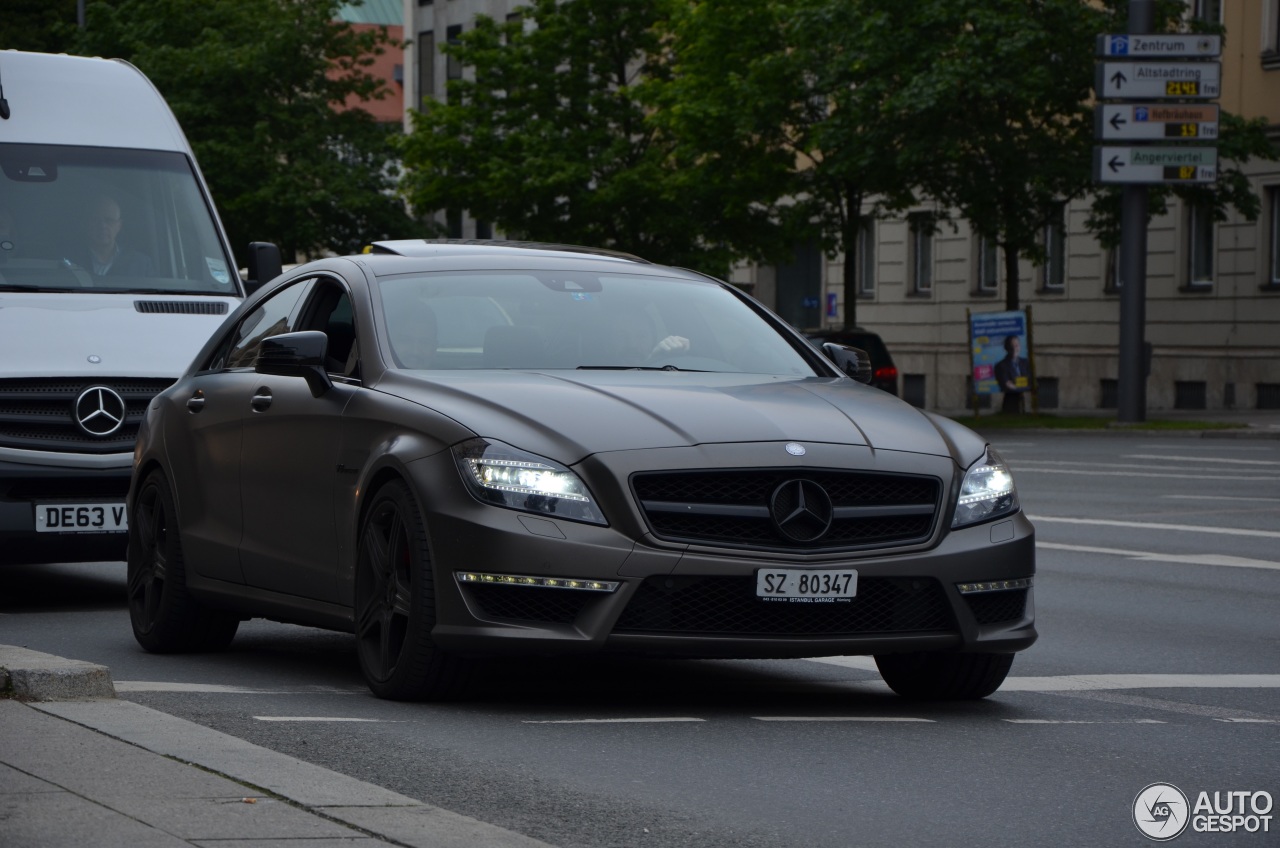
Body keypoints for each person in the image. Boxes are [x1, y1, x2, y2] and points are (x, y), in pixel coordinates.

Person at [65, 195, 155, 277]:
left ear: (119, 226)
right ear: (86, 223)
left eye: (109, 220)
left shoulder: (141, 265)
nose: (102, 226)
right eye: (96, 220)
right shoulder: (67, 261)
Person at [993, 334, 1030, 413]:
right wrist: (1023, 386)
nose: (1015, 348)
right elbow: (1008, 385)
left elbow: (1029, 381)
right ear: (1007, 348)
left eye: (1017, 345)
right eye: (1012, 346)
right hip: (1010, 399)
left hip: (1023, 398)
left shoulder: (1025, 362)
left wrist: (1020, 386)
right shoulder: (1001, 365)